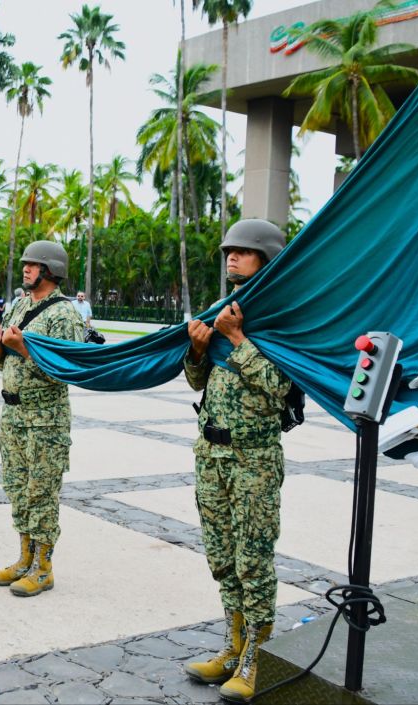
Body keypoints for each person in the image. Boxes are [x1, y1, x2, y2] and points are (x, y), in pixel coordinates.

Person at [182, 219, 289, 702]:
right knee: (222, 558)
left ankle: (257, 657)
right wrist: (197, 349)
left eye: (243, 251)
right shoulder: (222, 311)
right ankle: (234, 645)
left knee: (252, 560)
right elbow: (197, 381)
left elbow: (280, 388)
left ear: (266, 259)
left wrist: (239, 338)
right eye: (229, 250)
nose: (232, 257)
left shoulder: (280, 318)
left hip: (253, 459)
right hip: (211, 453)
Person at [0, 241, 84, 597]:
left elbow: (65, 370)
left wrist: (22, 347)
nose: (26, 268)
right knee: (17, 488)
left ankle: (43, 567)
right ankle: (24, 558)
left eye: (33, 264)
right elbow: (2, 363)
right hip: (13, 415)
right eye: (25, 263)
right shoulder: (20, 305)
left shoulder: (64, 315)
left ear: (50, 270)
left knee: (41, 492)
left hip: (45, 419)